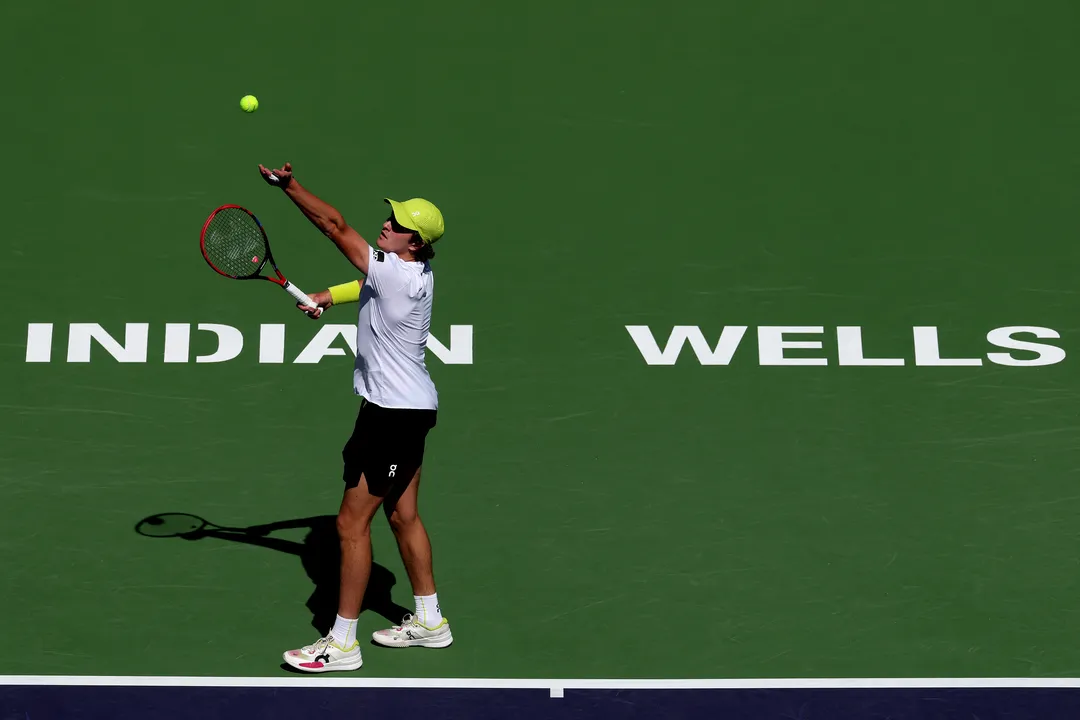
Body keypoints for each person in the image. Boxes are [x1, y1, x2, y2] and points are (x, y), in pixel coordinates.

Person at [257, 161, 452, 673]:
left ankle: (342, 643)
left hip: (388, 415)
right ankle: (431, 621)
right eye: (390, 217)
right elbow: (367, 283)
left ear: (415, 243)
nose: (387, 224)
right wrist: (328, 294)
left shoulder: (391, 272)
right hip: (414, 408)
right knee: (402, 515)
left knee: (350, 524)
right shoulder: (413, 271)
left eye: (399, 224)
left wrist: (290, 187)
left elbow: (335, 226)